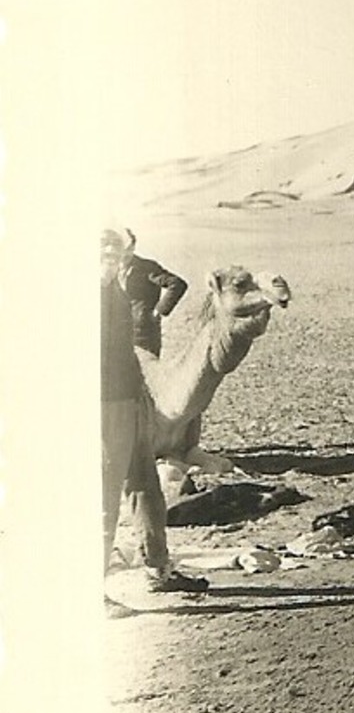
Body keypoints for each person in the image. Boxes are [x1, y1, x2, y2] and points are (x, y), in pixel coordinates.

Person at [100, 229, 207, 593]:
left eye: (115, 256)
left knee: (146, 487)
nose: (109, 263)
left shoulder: (115, 290)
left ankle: (158, 569)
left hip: (130, 400)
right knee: (105, 495)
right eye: (103, 256)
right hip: (104, 405)